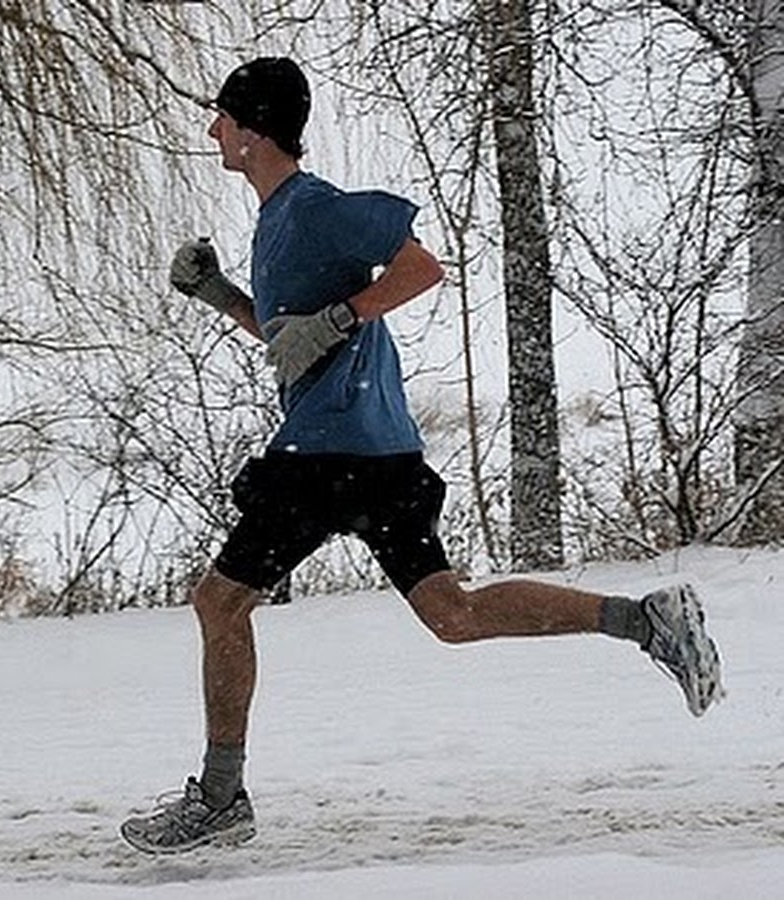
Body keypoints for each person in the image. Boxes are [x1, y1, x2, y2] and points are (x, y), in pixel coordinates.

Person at [119, 57, 723, 855]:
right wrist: (221, 294)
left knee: (219, 603)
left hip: (327, 452)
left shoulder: (314, 208)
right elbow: (289, 342)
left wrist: (338, 317)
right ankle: (644, 620)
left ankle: (222, 799)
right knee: (453, 614)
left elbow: (421, 267)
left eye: (222, 118)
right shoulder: (277, 221)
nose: (212, 131)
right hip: (379, 450)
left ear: (254, 129)